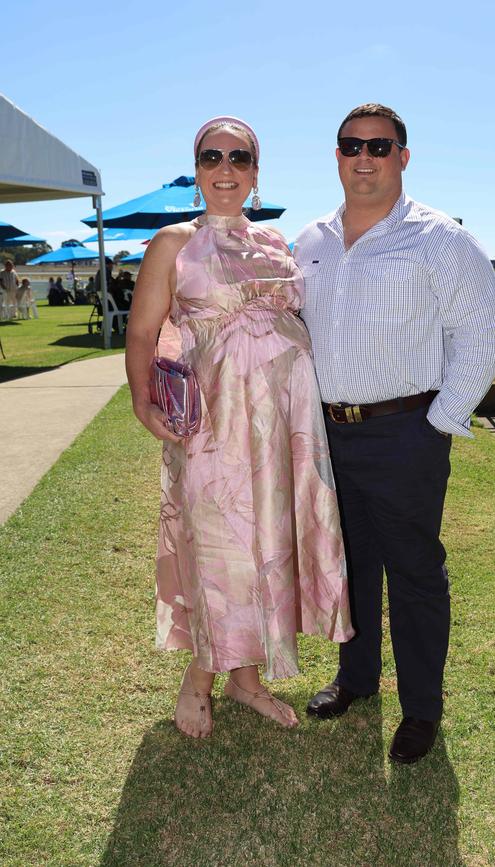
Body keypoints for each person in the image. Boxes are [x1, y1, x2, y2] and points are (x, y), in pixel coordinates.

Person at [125, 115, 353, 739]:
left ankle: (244, 678)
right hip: (212, 424)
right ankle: (199, 676)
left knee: (266, 545)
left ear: (255, 173)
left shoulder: (277, 245)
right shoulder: (172, 243)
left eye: (239, 158)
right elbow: (144, 332)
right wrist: (144, 403)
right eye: (211, 157)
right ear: (196, 170)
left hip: (281, 425)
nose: (225, 169)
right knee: (219, 546)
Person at [294, 103, 495, 764]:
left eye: (380, 146)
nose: (365, 157)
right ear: (336, 155)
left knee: (414, 572)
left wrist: (439, 423)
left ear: (403, 157)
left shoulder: (439, 238)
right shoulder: (311, 241)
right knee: (351, 564)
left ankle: (421, 709)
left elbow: (482, 333)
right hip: (333, 433)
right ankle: (355, 678)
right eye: (351, 145)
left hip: (406, 431)